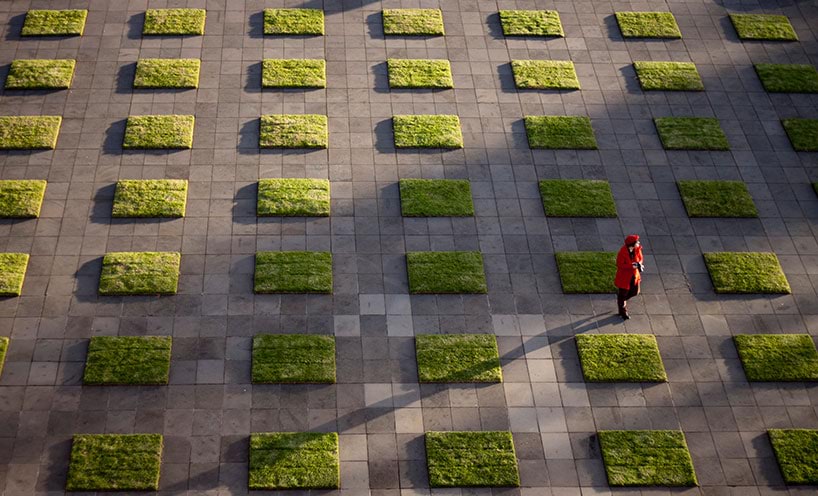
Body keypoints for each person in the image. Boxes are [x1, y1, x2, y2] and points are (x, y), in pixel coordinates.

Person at [614, 234, 644, 320]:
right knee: (623, 293)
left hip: (634, 275)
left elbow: (641, 258)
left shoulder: (637, 249)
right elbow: (620, 264)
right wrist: (631, 266)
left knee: (635, 292)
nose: (638, 243)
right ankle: (623, 311)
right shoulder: (622, 252)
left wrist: (639, 264)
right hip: (625, 277)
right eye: (636, 242)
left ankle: (621, 301)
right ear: (632, 244)